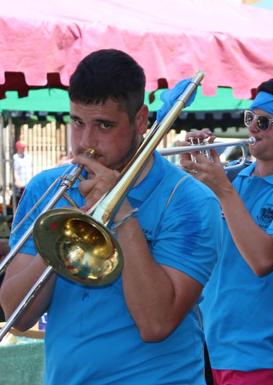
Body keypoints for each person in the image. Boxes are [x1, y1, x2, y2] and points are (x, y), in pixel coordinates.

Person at [0, 49, 223, 384]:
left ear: (141, 120)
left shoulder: (191, 202)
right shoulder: (47, 188)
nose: (86, 142)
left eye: (104, 125)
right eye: (77, 122)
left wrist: (119, 210)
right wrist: (61, 237)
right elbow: (18, 314)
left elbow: (156, 323)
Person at [181, 77, 273, 385]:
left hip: (260, 353)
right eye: (250, 118)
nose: (252, 128)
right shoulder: (237, 180)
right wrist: (192, 172)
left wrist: (223, 190)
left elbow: (264, 259)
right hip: (206, 345)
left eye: (264, 121)